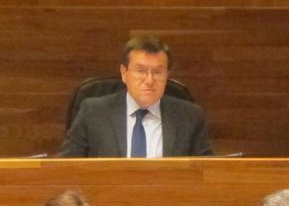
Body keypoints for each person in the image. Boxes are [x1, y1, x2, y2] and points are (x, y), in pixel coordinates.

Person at [58, 36, 214, 158]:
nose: (149, 80)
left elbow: (208, 174)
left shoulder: (190, 117)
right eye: (140, 71)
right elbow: (64, 168)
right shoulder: (93, 113)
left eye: (157, 72)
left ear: (167, 75)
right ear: (124, 73)